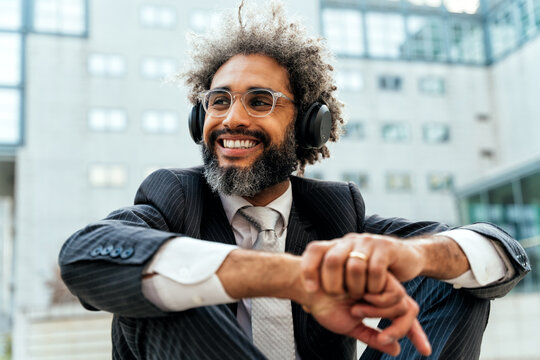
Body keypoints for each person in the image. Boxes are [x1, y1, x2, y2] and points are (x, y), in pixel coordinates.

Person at [59, 2, 530, 359]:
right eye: (218, 101)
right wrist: (297, 278)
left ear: (310, 124)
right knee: (169, 281)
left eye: (259, 101)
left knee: (452, 275)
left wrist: (414, 254)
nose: (231, 119)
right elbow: (84, 256)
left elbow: (500, 251)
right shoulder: (173, 198)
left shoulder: (337, 211)